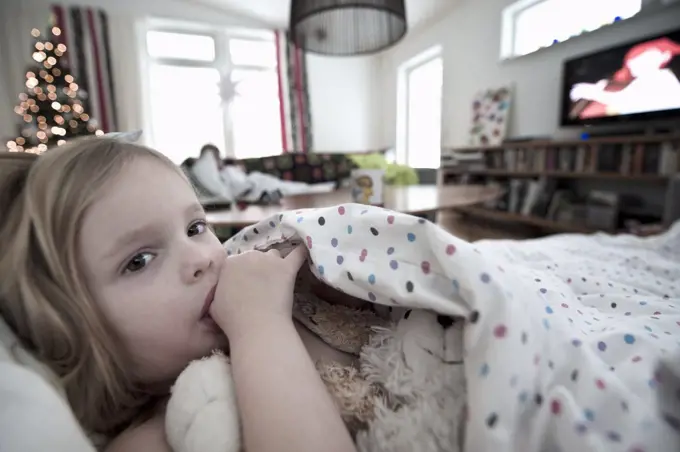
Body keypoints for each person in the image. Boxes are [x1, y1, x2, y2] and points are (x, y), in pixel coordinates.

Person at [0, 138, 356, 452]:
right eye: (138, 261)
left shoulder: (270, 297)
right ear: (68, 330)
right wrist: (260, 325)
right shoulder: (152, 440)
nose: (201, 258)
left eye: (195, 227)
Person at [570, 37, 680, 118]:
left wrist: (591, 92)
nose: (633, 65)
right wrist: (597, 89)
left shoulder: (662, 77)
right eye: (632, 61)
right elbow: (623, 95)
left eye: (643, 58)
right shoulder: (642, 80)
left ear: (665, 56)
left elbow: (626, 101)